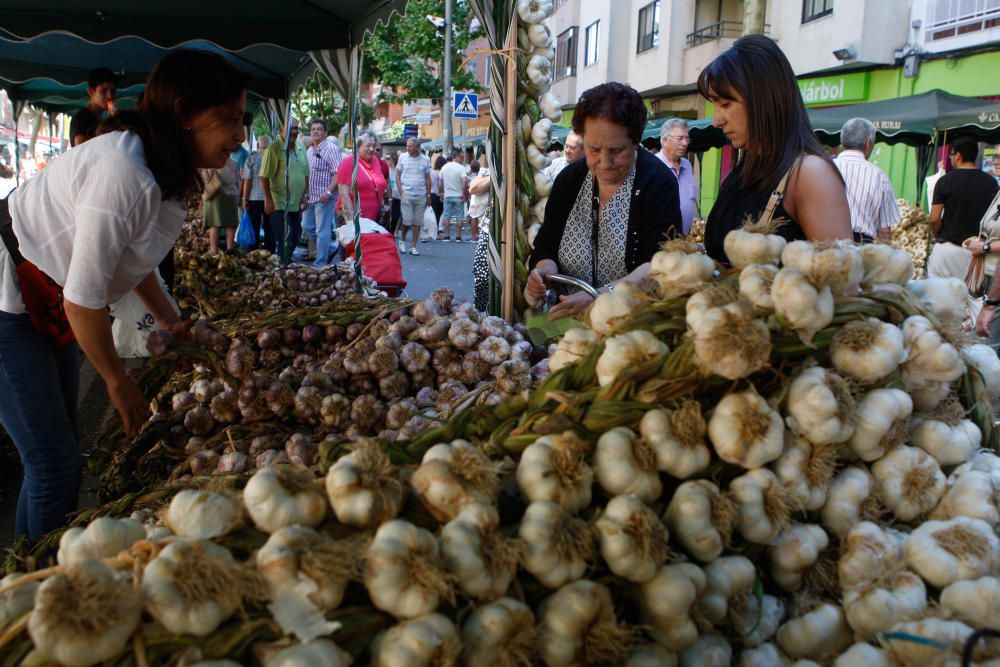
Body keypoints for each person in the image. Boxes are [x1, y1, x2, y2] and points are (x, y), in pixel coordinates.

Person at [0, 49, 249, 539]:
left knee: (55, 457)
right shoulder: (125, 173)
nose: (239, 136)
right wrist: (116, 380)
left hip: (49, 298)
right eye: (229, 119)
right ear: (183, 113)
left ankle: (31, 570)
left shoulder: (169, 172)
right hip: (11, 298)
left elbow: (135, 265)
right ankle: (34, 588)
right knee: (55, 465)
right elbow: (82, 301)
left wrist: (170, 321)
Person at [527, 82, 682, 319]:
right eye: (594, 149)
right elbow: (546, 245)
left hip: (631, 324)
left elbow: (658, 264)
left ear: (635, 141)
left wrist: (598, 296)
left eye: (617, 151)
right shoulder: (569, 180)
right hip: (566, 320)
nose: (605, 162)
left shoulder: (657, 182)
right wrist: (543, 272)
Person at [698, 35, 852, 264]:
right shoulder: (747, 167)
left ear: (762, 98)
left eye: (725, 104)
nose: (716, 120)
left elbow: (841, 280)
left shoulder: (809, 174)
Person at [928, 138, 999, 287]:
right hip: (976, 254)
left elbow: (934, 218)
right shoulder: (992, 183)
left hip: (947, 249)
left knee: (938, 298)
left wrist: (939, 236)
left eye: (951, 155)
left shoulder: (945, 181)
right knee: (970, 301)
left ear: (958, 155)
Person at [833, 118, 899, 242]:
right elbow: (884, 231)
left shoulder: (826, 167)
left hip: (825, 245)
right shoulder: (879, 177)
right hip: (861, 247)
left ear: (842, 141)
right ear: (869, 143)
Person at [260, 118, 309, 258]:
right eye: (291, 128)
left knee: (295, 238)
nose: (295, 131)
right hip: (279, 202)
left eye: (296, 128)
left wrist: (306, 195)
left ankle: (284, 262)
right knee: (284, 239)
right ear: (281, 130)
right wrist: (268, 199)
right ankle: (282, 267)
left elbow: (306, 174)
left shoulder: (301, 147)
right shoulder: (273, 148)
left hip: (296, 202)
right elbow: (264, 176)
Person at [302, 118, 342, 267]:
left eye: (319, 129)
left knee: (321, 231)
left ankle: (320, 263)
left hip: (325, 197)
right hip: (310, 197)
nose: (315, 132)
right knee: (306, 226)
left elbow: (338, 173)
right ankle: (330, 248)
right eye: (313, 129)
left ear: (325, 132)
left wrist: (329, 193)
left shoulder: (331, 148)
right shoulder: (310, 150)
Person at [656, 119, 698, 236]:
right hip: (662, 241)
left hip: (684, 240)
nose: (685, 143)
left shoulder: (687, 165)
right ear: (665, 140)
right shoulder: (654, 167)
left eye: (687, 138)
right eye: (680, 138)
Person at [970, 190, 1000, 353]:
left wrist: (985, 247)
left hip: (997, 284)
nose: (995, 162)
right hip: (990, 276)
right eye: (995, 160)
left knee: (983, 348)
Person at [337, 131, 388, 225]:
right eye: (368, 145)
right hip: (355, 218)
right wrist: (351, 219)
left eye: (374, 145)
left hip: (374, 218)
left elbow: (378, 185)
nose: (372, 149)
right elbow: (344, 194)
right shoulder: (348, 162)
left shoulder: (376, 161)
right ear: (358, 146)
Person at [396, 137, 432, 255]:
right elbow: (397, 174)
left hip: (421, 194)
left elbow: (427, 178)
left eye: (410, 146)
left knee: (417, 222)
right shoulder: (402, 157)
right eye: (407, 146)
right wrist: (401, 191)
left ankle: (413, 246)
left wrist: (428, 195)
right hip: (406, 193)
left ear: (417, 147)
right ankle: (402, 240)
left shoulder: (426, 159)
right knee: (407, 221)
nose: (408, 148)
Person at [70, 68, 118, 147]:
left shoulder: (99, 119)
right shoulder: (82, 118)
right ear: (91, 92)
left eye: (112, 91)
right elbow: (82, 152)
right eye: (103, 90)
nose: (110, 96)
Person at [202, 157, 240, 252]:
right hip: (231, 195)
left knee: (214, 225)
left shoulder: (212, 162)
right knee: (230, 224)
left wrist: (204, 170)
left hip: (215, 196)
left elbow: (207, 180)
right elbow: (237, 181)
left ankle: (214, 250)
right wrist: (240, 197)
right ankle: (230, 248)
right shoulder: (234, 163)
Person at [240, 135, 271, 249]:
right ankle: (270, 251)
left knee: (254, 226)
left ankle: (253, 252)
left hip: (254, 198)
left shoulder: (251, 159)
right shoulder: (274, 159)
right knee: (269, 228)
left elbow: (247, 181)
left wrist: (244, 199)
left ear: (258, 145)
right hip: (270, 199)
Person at [439, 152, 468, 242]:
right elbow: (465, 181)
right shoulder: (461, 168)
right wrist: (464, 193)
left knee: (447, 215)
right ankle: (458, 236)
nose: (463, 159)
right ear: (456, 157)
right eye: (462, 157)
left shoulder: (445, 167)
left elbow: (441, 181)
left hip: (448, 195)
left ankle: (447, 236)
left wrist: (441, 193)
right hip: (458, 195)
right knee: (459, 216)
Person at [467, 160, 490, 243]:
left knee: (474, 217)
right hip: (484, 198)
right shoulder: (486, 173)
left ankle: (474, 236)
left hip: (476, 199)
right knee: (483, 217)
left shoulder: (473, 176)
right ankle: (481, 235)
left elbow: (470, 188)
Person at [386, 153, 403, 242]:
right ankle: (390, 230)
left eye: (389, 159)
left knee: (397, 214)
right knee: (389, 213)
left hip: (397, 195)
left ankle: (395, 230)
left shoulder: (398, 170)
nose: (387, 161)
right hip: (388, 194)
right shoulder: (387, 170)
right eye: (387, 159)